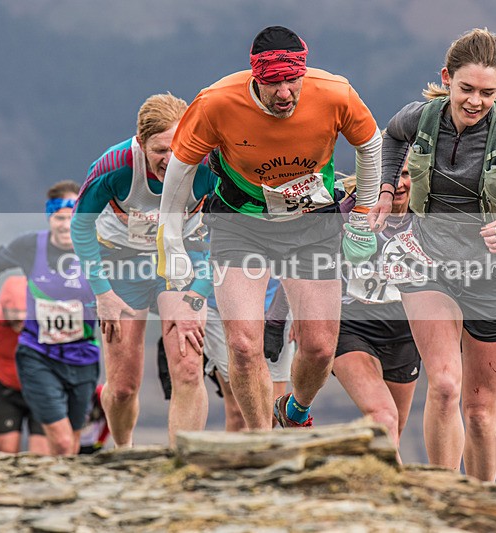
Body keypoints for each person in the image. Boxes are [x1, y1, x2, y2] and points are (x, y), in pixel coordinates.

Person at [369, 28, 496, 481]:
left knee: (480, 410)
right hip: (426, 264)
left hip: (491, 279)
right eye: (465, 89)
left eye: (486, 92)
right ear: (446, 78)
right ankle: (443, 497)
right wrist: (385, 189)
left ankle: (482, 501)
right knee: (444, 386)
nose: (474, 101)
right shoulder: (420, 117)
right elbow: (392, 137)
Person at [157, 25, 382, 430]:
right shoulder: (216, 102)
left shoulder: (335, 93)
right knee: (244, 346)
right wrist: (171, 239)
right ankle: (263, 441)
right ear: (255, 77)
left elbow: (370, 144)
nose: (284, 93)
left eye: (292, 80)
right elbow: (181, 166)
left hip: (310, 222)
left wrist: (363, 214)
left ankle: (294, 410)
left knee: (319, 347)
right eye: (273, 83)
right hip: (240, 223)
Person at [70, 94, 217, 448]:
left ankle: (182, 459)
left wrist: (198, 294)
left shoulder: (210, 163)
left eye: (178, 148)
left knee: (188, 368)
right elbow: (80, 226)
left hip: (182, 257)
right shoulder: (115, 166)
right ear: (140, 143)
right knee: (123, 386)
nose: (170, 159)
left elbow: (231, 231)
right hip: (122, 261)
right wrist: (103, 293)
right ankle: (124, 450)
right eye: (160, 150)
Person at [0, 181, 99, 455]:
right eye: (59, 218)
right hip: (38, 354)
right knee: (62, 442)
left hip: (83, 356)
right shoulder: (30, 246)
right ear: (49, 218)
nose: (66, 225)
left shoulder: (97, 248)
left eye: (72, 218)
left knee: (73, 442)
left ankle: (62, 481)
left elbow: (128, 282)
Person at [333, 162, 421, 462]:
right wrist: (283, 318)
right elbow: (307, 261)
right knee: (383, 416)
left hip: (405, 332)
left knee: (393, 431)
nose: (399, 184)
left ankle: (379, 483)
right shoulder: (348, 212)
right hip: (352, 325)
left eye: (405, 175)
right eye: (390, 177)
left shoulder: (427, 215)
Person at [0, 275, 49, 454]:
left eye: (24, 318)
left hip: (43, 389)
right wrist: (4, 368)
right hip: (6, 388)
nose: (20, 323)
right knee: (6, 450)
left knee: (41, 453)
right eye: (15, 318)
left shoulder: (48, 322)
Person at [204, 278, 295, 431]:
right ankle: (245, 447)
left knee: (271, 412)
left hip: (276, 303)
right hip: (220, 305)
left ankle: (260, 444)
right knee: (238, 411)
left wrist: (301, 310)